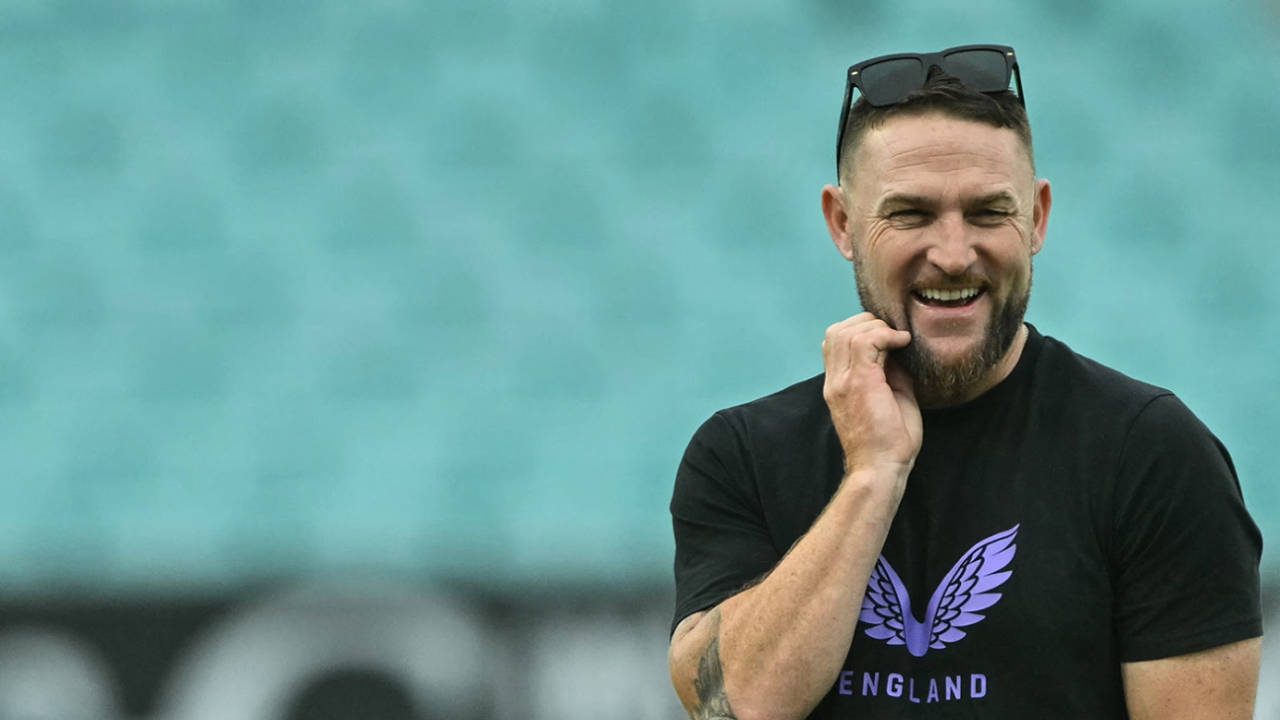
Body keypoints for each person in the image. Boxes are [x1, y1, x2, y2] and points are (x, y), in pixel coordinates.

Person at [666, 45, 1262, 719]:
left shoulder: (1152, 454)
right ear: (843, 224)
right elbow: (735, 706)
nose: (952, 255)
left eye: (986, 213)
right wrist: (872, 475)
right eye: (911, 214)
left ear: (1036, 219)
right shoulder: (742, 454)